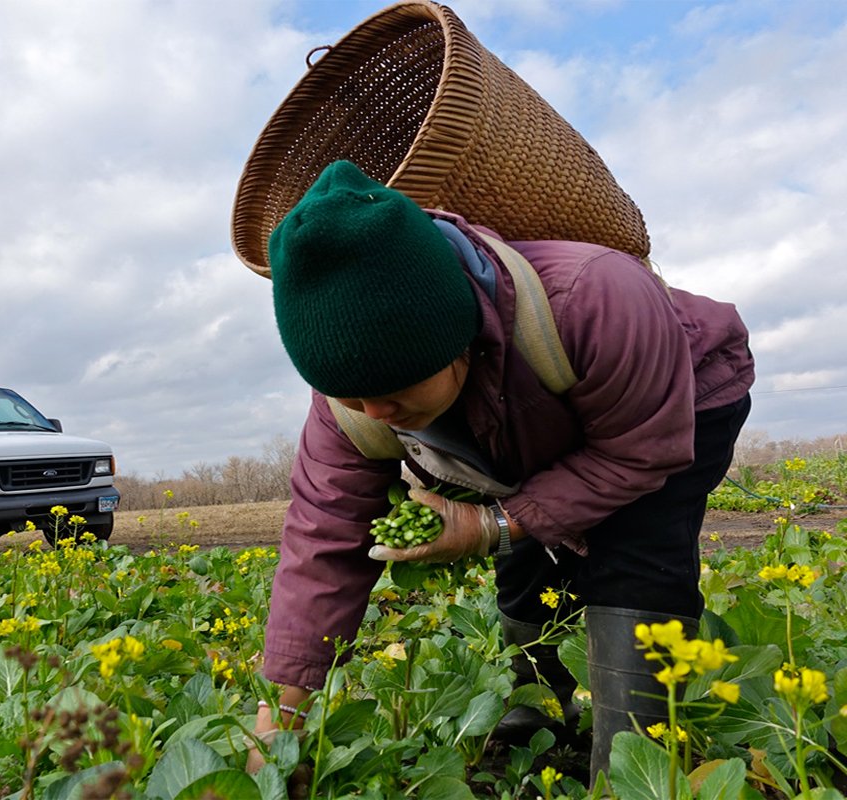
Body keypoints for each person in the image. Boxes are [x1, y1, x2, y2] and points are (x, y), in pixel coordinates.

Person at [247, 160, 754, 785]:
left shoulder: (596, 298)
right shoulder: (349, 409)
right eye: (351, 396)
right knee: (527, 564)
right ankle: (538, 710)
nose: (376, 412)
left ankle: (634, 759)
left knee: (633, 555)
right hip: (525, 424)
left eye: (396, 390)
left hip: (679, 401)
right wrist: (278, 725)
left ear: (458, 336)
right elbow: (323, 541)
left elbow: (639, 452)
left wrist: (491, 523)